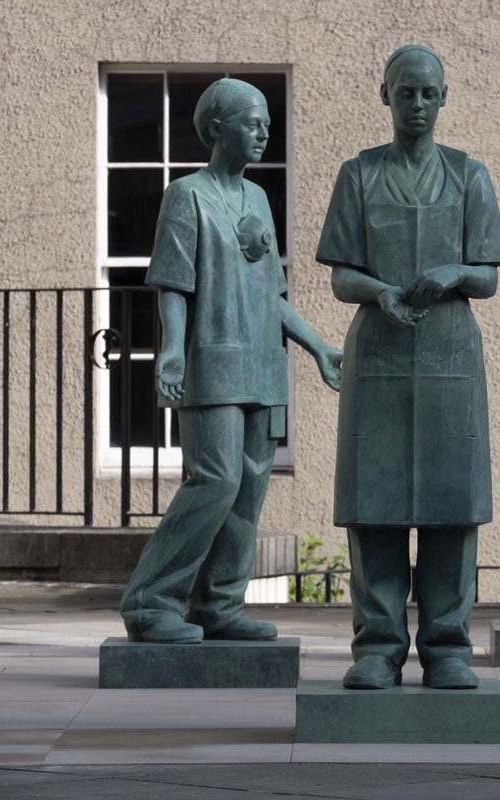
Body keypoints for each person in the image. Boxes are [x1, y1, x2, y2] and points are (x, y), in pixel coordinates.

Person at [121, 78, 343, 644]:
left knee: (248, 490)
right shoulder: (187, 195)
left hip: (264, 369)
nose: (264, 131)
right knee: (214, 482)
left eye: (267, 123)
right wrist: (171, 352)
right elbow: (173, 282)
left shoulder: (261, 200)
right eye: (252, 122)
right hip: (213, 364)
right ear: (217, 129)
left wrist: (318, 347)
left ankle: (220, 604)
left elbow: (273, 296)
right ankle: (150, 601)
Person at [315, 45, 500, 690]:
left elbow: (488, 276)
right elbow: (340, 274)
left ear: (445, 97)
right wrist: (379, 292)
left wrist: (455, 271)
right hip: (380, 354)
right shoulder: (359, 174)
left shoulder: (469, 176)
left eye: (429, 93)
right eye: (406, 93)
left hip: (451, 356)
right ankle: (377, 646)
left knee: (452, 506)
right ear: (386, 96)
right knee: (376, 505)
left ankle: (448, 645)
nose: (418, 104)